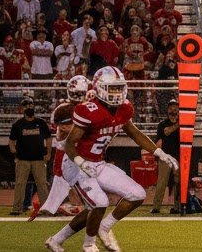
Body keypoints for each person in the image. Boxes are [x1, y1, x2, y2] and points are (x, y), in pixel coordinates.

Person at [51, 66, 176, 252]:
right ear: (100, 87)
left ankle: (100, 228)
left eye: (119, 87)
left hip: (98, 163)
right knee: (99, 202)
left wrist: (159, 152)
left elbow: (135, 134)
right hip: (76, 164)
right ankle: (89, 244)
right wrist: (81, 162)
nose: (117, 92)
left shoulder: (124, 108)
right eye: (112, 88)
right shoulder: (88, 110)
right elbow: (70, 144)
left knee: (137, 194)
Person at [35, 76, 91, 219]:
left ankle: (59, 206)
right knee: (61, 177)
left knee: (83, 177)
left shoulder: (80, 108)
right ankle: (55, 206)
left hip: (81, 149)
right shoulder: (64, 109)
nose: (79, 96)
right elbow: (62, 129)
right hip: (67, 148)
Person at [9, 97, 50, 215]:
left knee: (42, 184)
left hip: (38, 159)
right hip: (23, 160)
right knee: (20, 184)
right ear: (22, 109)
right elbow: (11, 141)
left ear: (33, 106)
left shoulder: (41, 123)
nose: (29, 107)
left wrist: (48, 153)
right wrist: (15, 153)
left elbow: (48, 138)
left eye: (31, 105)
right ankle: (16, 209)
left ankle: (45, 209)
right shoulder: (18, 124)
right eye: (26, 106)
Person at [151, 101, 182, 215]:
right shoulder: (163, 124)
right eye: (171, 108)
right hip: (165, 157)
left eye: (175, 109)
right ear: (168, 110)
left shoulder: (181, 124)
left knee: (178, 183)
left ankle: (178, 206)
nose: (173, 111)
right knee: (161, 182)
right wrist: (180, 123)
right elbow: (167, 132)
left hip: (178, 157)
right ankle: (156, 206)